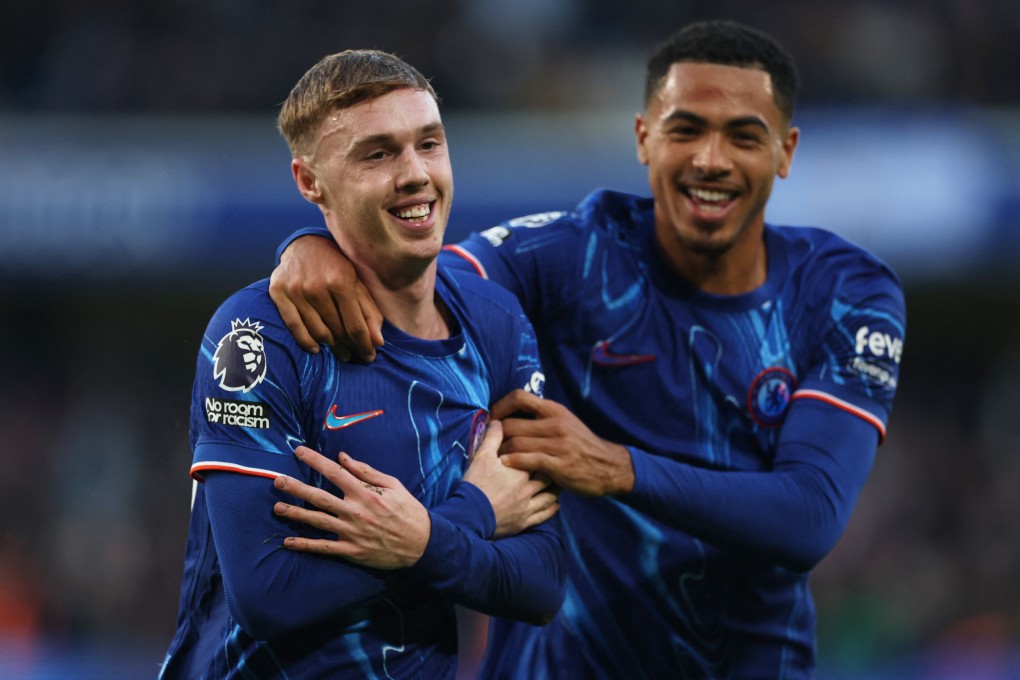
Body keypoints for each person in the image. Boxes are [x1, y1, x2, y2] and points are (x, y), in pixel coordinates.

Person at [269, 21, 906, 679]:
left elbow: (809, 515)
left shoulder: (843, 291)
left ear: (785, 151)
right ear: (643, 139)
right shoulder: (572, 254)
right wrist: (311, 243)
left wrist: (613, 467)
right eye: (686, 129)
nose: (710, 160)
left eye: (744, 136)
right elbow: (413, 279)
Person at [160, 49, 565, 680]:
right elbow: (269, 592)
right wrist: (466, 520)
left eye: (428, 144)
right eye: (377, 154)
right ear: (309, 181)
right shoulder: (260, 336)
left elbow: (540, 582)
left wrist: (425, 539)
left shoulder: (497, 323)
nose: (415, 174)